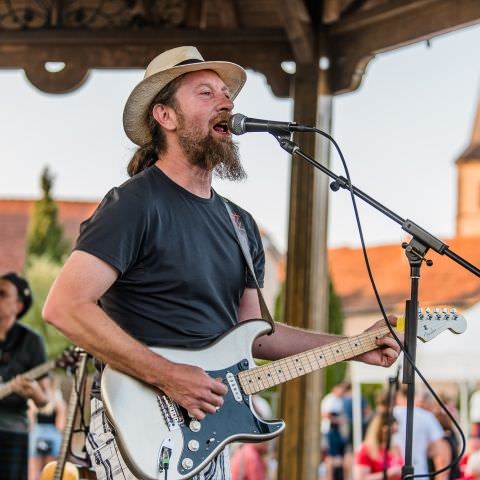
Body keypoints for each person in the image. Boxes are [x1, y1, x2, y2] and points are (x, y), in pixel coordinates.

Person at [43, 45, 401, 480]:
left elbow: (256, 337)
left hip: (207, 431)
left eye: (227, 95)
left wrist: (356, 347)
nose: (226, 102)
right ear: (166, 117)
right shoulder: (135, 203)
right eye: (206, 92)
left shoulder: (240, 224)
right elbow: (64, 307)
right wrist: (168, 375)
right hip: (138, 425)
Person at [0, 272, 50, 480]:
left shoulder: (32, 341)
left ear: (18, 306)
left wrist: (35, 392)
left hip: (12, 431)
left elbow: (44, 399)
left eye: (2, 294)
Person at [394, 387, 450, 480]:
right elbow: (441, 453)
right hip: (419, 475)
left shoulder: (388, 416)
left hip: (394, 475)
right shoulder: (426, 417)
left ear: (397, 396)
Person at [28, 378, 67, 480]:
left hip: (39, 434)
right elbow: (60, 425)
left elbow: (30, 421)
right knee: (47, 468)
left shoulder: (35, 399)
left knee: (39, 469)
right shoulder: (56, 399)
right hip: (49, 434)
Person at [353, 411, 403, 480]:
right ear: (379, 429)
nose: (391, 436)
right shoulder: (365, 449)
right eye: (390, 432)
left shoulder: (395, 448)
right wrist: (389, 473)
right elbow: (360, 478)